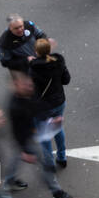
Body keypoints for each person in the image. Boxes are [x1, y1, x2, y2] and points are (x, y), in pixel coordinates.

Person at [3, 73, 71, 198]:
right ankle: (56, 191)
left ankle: (9, 181)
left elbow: (37, 106)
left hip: (28, 134)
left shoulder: (27, 94)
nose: (30, 86)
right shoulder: (15, 107)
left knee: (16, 157)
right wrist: (26, 151)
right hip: (26, 137)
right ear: (16, 85)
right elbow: (18, 132)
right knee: (45, 162)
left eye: (30, 83)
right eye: (26, 84)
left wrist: (51, 120)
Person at [29, 37, 69, 170]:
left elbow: (31, 89)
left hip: (43, 106)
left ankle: (49, 162)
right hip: (59, 102)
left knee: (44, 133)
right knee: (58, 129)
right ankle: (62, 157)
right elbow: (66, 80)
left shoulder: (34, 68)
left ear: (36, 52)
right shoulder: (59, 61)